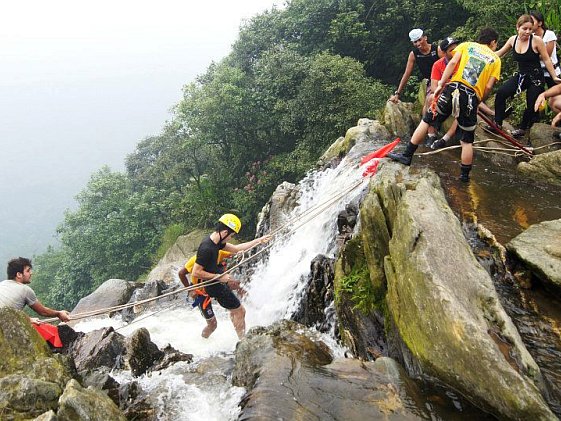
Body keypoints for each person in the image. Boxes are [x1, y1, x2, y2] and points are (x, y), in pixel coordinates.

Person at [388, 28, 502, 182]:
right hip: (470, 96)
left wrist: (441, 84)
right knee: (467, 140)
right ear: (493, 42)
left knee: (428, 119)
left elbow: (453, 62)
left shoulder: (467, 45)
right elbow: (488, 87)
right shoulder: (496, 60)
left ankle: (407, 155)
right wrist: (478, 100)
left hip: (452, 89)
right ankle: (464, 177)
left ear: (479, 38)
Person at [190, 214, 271, 339]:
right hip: (213, 285)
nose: (230, 238)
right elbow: (196, 272)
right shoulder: (207, 248)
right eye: (231, 235)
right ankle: (242, 341)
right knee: (240, 311)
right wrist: (219, 277)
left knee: (236, 308)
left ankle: (234, 334)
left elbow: (237, 248)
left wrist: (259, 241)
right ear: (225, 232)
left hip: (216, 282)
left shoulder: (217, 242)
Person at [491, 15, 561, 138]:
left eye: (530, 29)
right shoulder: (513, 40)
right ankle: (497, 123)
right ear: (518, 27)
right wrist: (484, 53)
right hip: (521, 76)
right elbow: (499, 54)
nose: (528, 32)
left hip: (536, 78)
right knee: (502, 92)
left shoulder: (536, 40)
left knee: (531, 104)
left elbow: (547, 59)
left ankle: (523, 129)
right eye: (525, 28)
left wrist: (554, 76)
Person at [389, 28, 439, 144]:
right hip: (431, 81)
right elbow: (407, 74)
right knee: (428, 102)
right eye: (415, 42)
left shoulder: (436, 49)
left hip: (443, 78)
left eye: (419, 40)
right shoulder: (414, 54)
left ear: (425, 38)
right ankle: (431, 135)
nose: (418, 44)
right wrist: (398, 94)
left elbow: (448, 63)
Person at [0, 257, 70, 322]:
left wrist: (29, 319)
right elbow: (43, 311)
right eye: (28, 271)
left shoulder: (2, 284)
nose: (31, 273)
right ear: (19, 274)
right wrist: (59, 313)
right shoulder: (25, 289)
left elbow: (9, 307)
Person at [429, 36, 460, 149]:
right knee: (431, 98)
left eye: (456, 48)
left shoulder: (463, 61)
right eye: (451, 50)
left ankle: (444, 139)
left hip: (459, 94)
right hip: (444, 94)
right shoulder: (438, 65)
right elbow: (434, 87)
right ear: (444, 52)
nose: (455, 51)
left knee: (465, 106)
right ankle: (431, 135)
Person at [531, 10, 561, 113]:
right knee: (535, 97)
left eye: (532, 21)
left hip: (552, 72)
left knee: (555, 99)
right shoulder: (531, 37)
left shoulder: (549, 34)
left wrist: (532, 54)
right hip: (539, 73)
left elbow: (546, 55)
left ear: (540, 23)